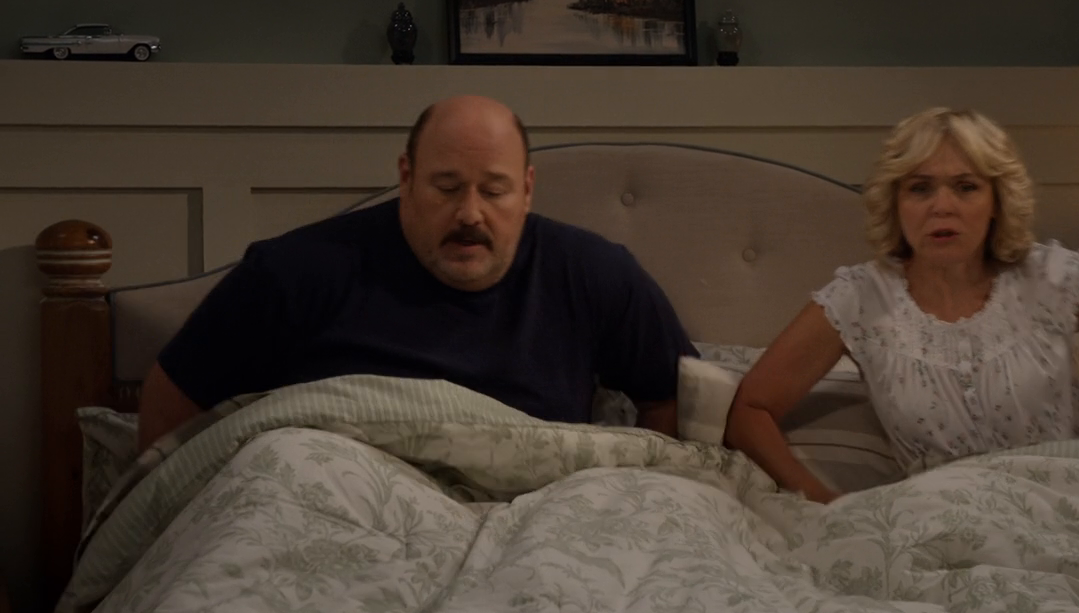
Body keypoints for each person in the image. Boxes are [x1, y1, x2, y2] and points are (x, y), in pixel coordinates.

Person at [724, 107, 1079, 504]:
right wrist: (823, 500)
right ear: (895, 204)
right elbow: (750, 410)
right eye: (920, 189)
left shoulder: (1049, 278)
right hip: (946, 528)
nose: (943, 207)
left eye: (965, 187)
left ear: (997, 201)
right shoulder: (860, 299)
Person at [137, 95, 697, 450]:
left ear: (527, 190)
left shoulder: (594, 274)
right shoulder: (296, 272)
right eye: (446, 188)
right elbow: (174, 394)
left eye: (494, 191)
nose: (470, 214)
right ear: (406, 177)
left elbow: (674, 400)